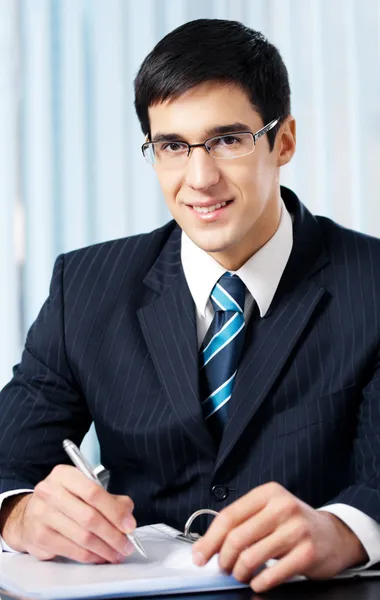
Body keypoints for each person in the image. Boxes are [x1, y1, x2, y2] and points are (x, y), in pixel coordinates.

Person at [0, 17, 380, 594]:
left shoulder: (372, 284)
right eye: (173, 146)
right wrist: (20, 513)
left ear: (284, 142)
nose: (199, 178)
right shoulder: (86, 285)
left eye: (227, 139)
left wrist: (342, 531)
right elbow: (8, 459)